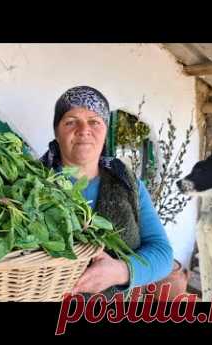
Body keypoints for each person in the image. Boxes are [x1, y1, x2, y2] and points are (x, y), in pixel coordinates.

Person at [40, 86, 174, 300]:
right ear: (57, 132)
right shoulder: (32, 184)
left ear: (105, 130)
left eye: (94, 121)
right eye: (71, 121)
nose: (84, 129)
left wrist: (121, 271)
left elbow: (162, 253)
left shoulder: (128, 184)